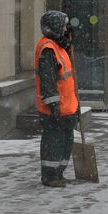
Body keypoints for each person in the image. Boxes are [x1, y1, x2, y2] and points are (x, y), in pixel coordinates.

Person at [35, 10, 79, 187]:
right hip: (56, 107)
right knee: (53, 141)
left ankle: (59, 172)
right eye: (63, 25)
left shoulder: (60, 46)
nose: (66, 28)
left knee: (65, 140)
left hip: (68, 106)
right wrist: (53, 105)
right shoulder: (48, 49)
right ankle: (50, 176)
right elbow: (48, 81)